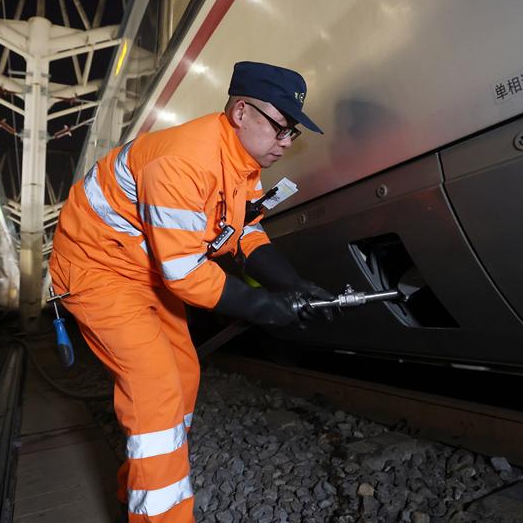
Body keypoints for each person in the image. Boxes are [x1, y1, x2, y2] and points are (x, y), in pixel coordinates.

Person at [49, 61, 333, 522]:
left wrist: (294, 286)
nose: (285, 142)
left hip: (145, 270)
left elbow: (244, 232)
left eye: (292, 132)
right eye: (281, 127)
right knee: (156, 388)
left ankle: (136, 485)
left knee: (182, 375)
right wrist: (271, 308)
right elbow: (186, 274)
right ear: (242, 112)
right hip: (97, 268)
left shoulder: (241, 163)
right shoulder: (185, 160)